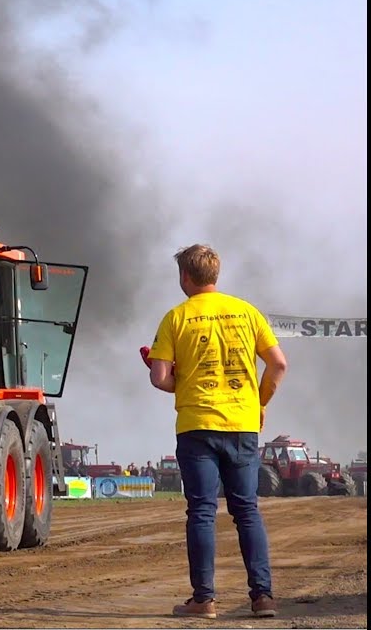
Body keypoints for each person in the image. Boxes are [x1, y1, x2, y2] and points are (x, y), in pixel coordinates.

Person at [142, 244, 286, 620]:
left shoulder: (176, 317)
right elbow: (278, 365)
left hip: (197, 428)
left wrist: (168, 373)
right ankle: (263, 597)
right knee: (247, 511)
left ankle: (203, 600)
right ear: (215, 275)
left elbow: (161, 379)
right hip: (242, 425)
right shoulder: (247, 312)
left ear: (185, 277)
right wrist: (259, 405)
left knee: (202, 512)